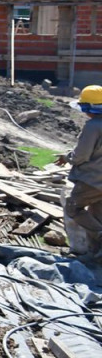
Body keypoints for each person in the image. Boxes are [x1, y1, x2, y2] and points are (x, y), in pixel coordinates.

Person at [61, 86, 102, 262]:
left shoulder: (93, 126)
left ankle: (100, 236)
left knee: (73, 206)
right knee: (96, 216)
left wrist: (68, 157)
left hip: (93, 179)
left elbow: (82, 155)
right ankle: (96, 256)